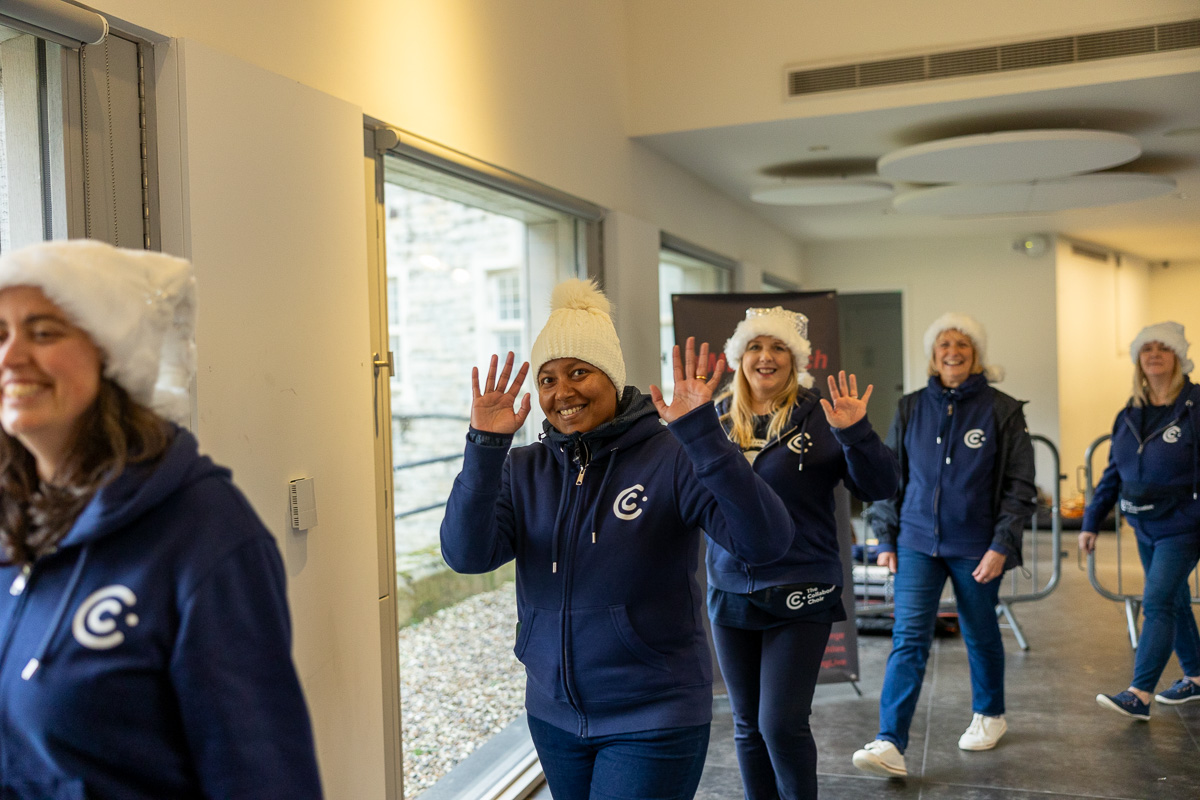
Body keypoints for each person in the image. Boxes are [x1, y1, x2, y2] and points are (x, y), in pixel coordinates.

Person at [439, 279, 792, 800]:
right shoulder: (523, 468)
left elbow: (766, 543)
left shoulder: (671, 455)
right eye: (548, 379)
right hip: (554, 716)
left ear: (613, 375)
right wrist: (486, 447)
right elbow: (467, 555)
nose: (564, 392)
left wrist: (703, 437)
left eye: (580, 372)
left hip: (654, 713)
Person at [0, 240, 321, 799]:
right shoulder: (15, 520)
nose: (10, 357)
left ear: (112, 352)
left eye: (44, 331)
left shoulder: (208, 535)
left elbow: (263, 778)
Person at [709, 306, 898, 800]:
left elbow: (880, 485)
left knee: (780, 724)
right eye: (755, 346)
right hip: (730, 586)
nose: (766, 357)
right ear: (739, 357)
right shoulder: (715, 416)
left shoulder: (821, 412)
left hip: (802, 584)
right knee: (747, 725)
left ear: (796, 361)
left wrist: (856, 433)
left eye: (778, 348)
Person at [853, 312, 1036, 778]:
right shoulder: (911, 406)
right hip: (915, 541)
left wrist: (1002, 544)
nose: (952, 351)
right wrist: (885, 535)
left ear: (977, 354)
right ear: (932, 356)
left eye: (962, 344)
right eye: (943, 345)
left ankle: (990, 714)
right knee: (909, 638)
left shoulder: (1003, 409)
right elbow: (891, 475)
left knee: (979, 630)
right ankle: (889, 742)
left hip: (977, 544)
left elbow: (1020, 485)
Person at [1080, 321, 1200, 719]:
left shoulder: (1196, 406)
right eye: (1146, 349)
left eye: (1162, 348)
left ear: (1178, 357)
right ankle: (1197, 677)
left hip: (1184, 524)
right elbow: (1114, 472)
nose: (1153, 355)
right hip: (1143, 524)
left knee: (1158, 600)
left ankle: (1139, 693)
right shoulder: (1129, 413)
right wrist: (1091, 521)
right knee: (1175, 599)